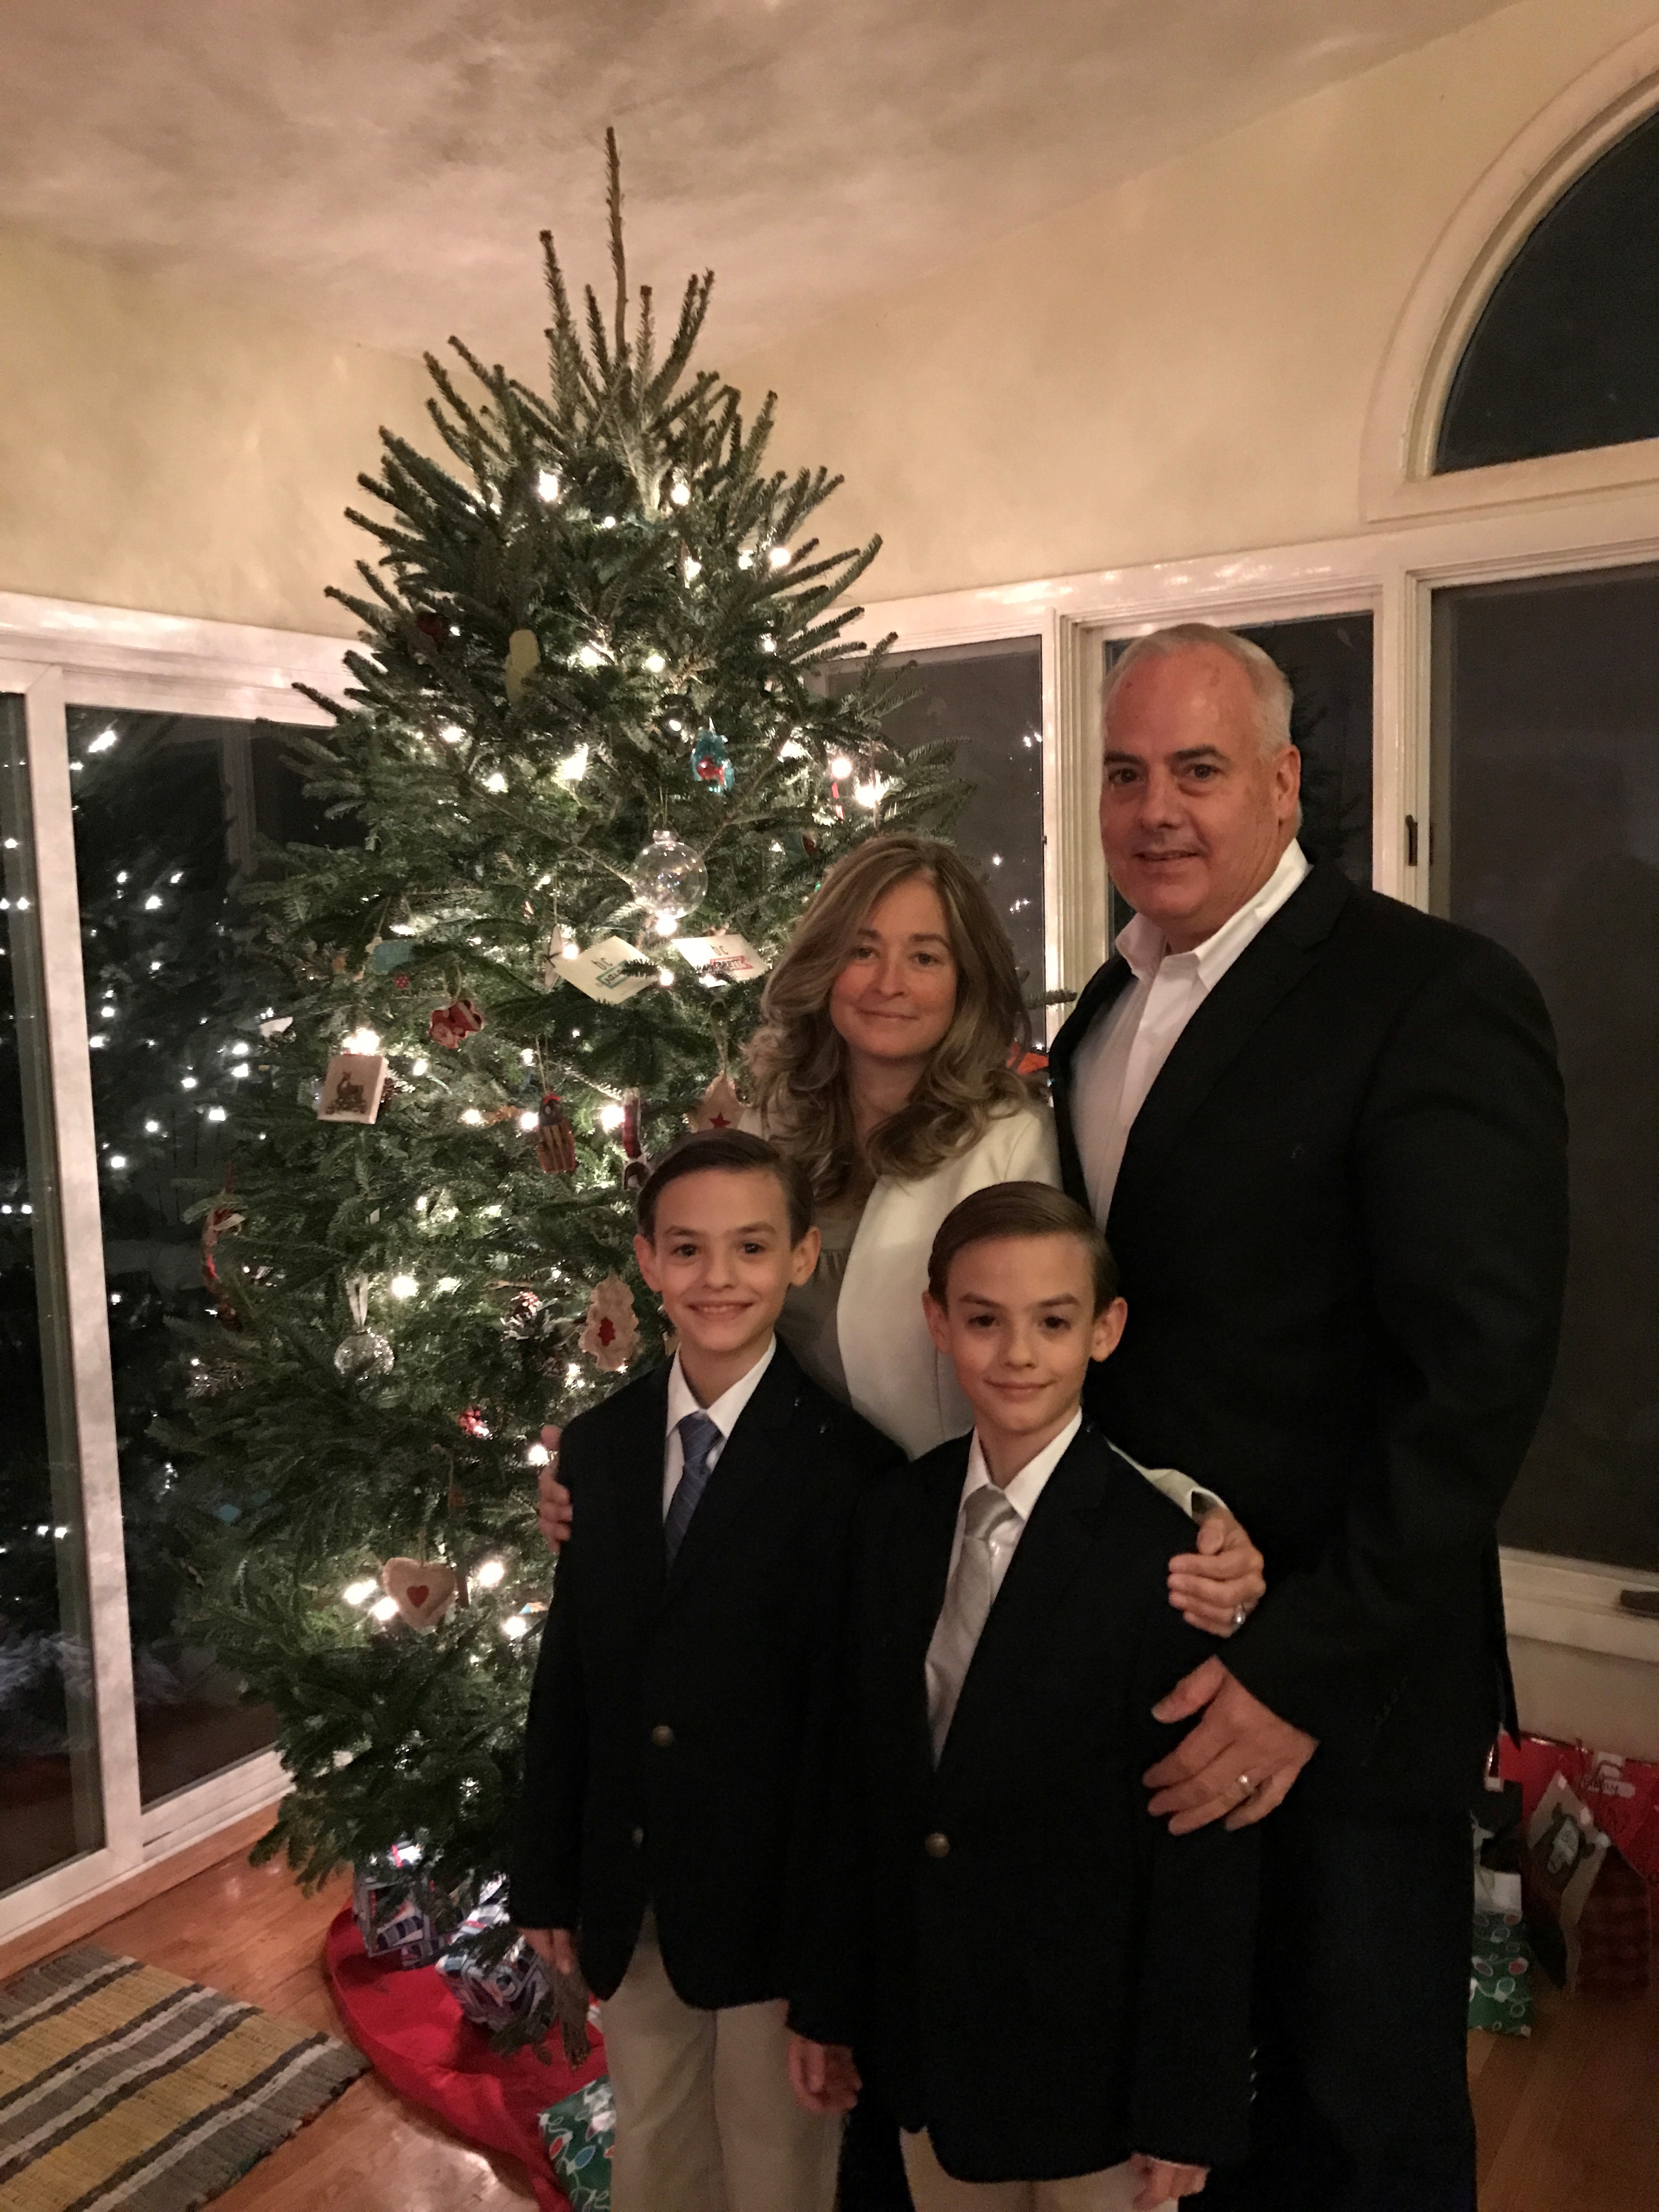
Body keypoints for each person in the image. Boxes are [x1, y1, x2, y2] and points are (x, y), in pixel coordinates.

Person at [1046, 622, 1568, 2210]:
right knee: (1203, 2112)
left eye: (1199, 769)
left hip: (1346, 1694)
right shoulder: (1103, 1007)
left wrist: (1297, 1677)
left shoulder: (1432, 992)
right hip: (1157, 1665)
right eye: (1126, 773)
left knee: (1362, 2125)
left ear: (1283, 786)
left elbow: (1475, 1380)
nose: (1157, 808)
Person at [788, 1183, 1259, 2211]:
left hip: (1095, 2056)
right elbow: (853, 1780)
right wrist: (828, 2003)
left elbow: (1201, 1852)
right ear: (937, 1321)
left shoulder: (1167, 1555)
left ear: (1105, 1329)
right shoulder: (892, 1519)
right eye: (984, 1320)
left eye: (1052, 1322)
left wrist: (1189, 2099)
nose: (1017, 1355)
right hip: (933, 2036)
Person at [510, 1130, 904, 2212]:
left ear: (802, 1257)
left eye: (751, 1248)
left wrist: (832, 1969)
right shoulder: (599, 1449)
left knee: (779, 2168)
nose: (717, 1278)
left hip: (777, 1914)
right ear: (646, 1261)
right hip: (634, 1891)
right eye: (687, 1249)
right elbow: (571, 1674)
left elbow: (849, 1742)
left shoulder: (853, 1475)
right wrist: (547, 1871)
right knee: (656, 2151)